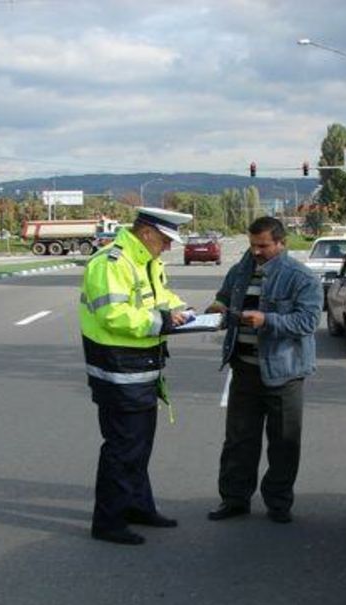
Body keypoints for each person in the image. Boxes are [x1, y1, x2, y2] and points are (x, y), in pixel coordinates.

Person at [78, 207, 193, 545]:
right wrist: (162, 322)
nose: (168, 247)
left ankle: (138, 507)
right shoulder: (111, 263)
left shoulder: (145, 260)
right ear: (146, 233)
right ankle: (108, 521)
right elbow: (113, 314)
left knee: (139, 447)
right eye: (165, 240)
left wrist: (182, 311)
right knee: (122, 449)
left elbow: (160, 299)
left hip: (141, 368)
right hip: (118, 370)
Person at [205, 216, 322, 524]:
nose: (256, 251)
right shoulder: (241, 270)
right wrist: (217, 307)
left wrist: (267, 320)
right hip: (244, 370)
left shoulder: (301, 277)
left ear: (281, 244)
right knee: (239, 441)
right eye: (252, 245)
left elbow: (308, 322)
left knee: (284, 444)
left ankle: (279, 504)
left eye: (263, 246)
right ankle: (234, 499)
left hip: (285, 375)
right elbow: (225, 296)